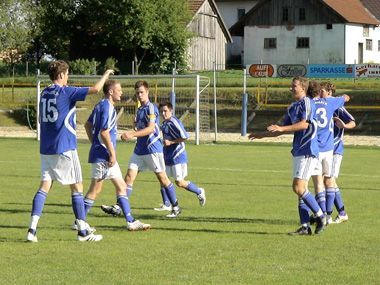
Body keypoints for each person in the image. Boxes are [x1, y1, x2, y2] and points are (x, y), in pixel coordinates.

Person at [26, 60, 113, 242]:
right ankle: (82, 231)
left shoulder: (44, 93)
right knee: (77, 186)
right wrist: (106, 74)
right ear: (61, 75)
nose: (68, 78)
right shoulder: (66, 91)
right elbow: (96, 90)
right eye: (67, 74)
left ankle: (32, 230)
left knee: (44, 186)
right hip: (64, 146)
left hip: (46, 148)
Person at [248, 76, 325, 235]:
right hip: (298, 151)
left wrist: (282, 129)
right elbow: (281, 129)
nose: (291, 88)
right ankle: (305, 227)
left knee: (298, 188)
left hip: (308, 149)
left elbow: (305, 123)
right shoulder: (292, 107)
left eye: (294, 86)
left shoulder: (307, 103)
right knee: (300, 190)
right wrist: (262, 135)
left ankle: (321, 216)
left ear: (303, 88)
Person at [72, 79, 150, 232]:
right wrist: (112, 153)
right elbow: (104, 132)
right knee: (95, 190)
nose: (121, 92)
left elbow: (88, 125)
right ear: (110, 92)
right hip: (104, 156)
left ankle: (130, 221)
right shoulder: (107, 107)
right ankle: (79, 222)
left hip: (101, 153)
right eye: (119, 90)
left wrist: (94, 142)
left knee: (120, 186)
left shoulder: (100, 105)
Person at [101, 80, 181, 218]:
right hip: (139, 149)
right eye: (137, 93)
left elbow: (150, 129)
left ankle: (176, 206)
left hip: (152, 149)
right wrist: (133, 130)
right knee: (129, 177)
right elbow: (139, 128)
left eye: (142, 92)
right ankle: (119, 207)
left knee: (162, 178)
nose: (139, 95)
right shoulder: (139, 110)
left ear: (147, 92)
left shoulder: (151, 108)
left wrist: (132, 134)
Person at [304, 81, 349, 227]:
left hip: (317, 147)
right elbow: (346, 97)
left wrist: (344, 125)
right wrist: (342, 97)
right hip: (329, 148)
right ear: (320, 92)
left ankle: (324, 214)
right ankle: (328, 214)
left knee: (320, 182)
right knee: (327, 182)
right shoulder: (331, 103)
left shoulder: (310, 104)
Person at [153, 102, 206, 212]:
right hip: (167, 155)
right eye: (162, 111)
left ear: (171, 111)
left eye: (165, 111)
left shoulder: (174, 122)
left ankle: (199, 191)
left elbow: (185, 137)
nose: (163, 113)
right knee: (163, 179)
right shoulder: (165, 123)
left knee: (179, 182)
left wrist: (171, 142)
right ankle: (167, 204)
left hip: (177, 155)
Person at [323, 83, 355, 224]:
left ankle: (327, 215)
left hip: (336, 150)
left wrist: (344, 126)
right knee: (328, 182)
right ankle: (341, 213)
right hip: (326, 149)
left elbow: (353, 122)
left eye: (322, 91)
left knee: (329, 181)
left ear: (329, 92)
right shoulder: (321, 105)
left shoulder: (337, 107)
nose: (320, 93)